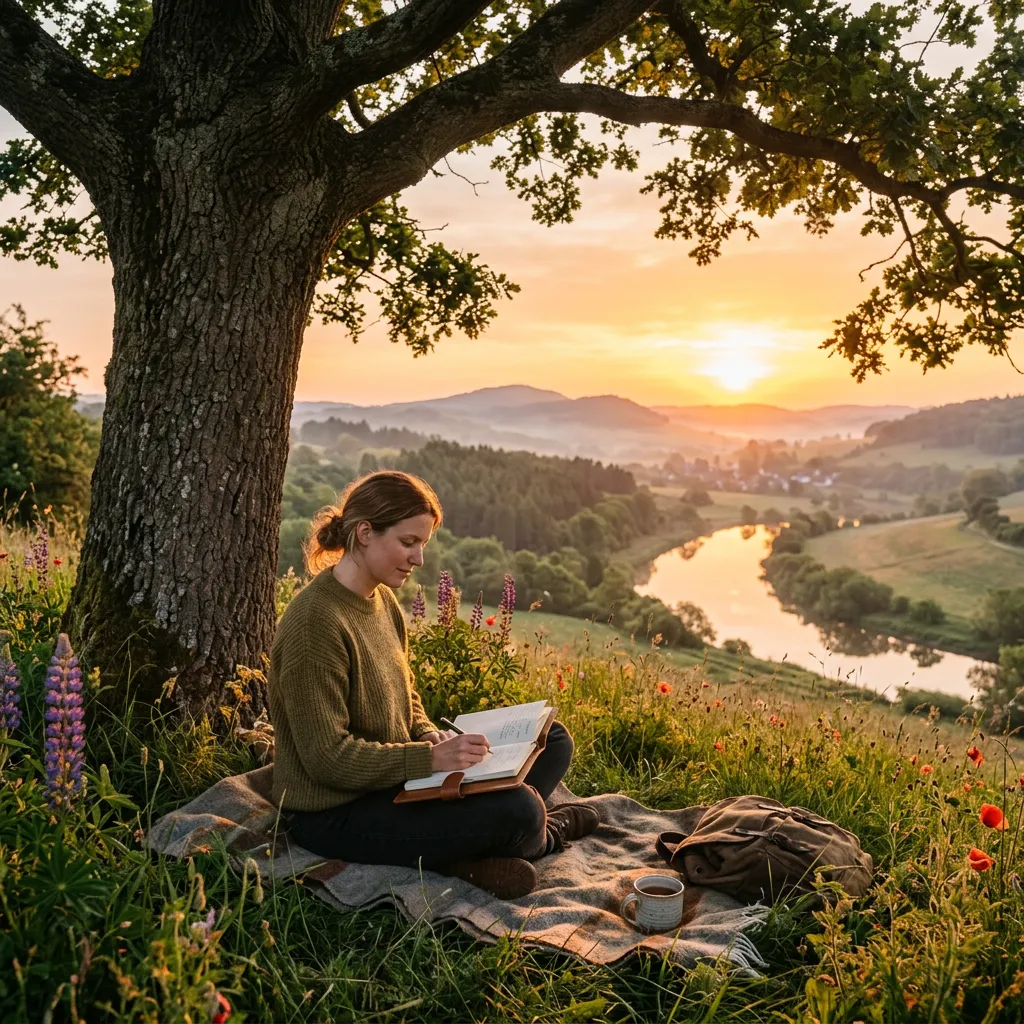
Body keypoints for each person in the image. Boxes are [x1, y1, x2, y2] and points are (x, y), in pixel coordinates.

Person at [268, 469, 599, 899]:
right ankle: (542, 833)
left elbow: (406, 695)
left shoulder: (382, 599)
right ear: (365, 533)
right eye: (408, 542)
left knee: (551, 739)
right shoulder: (315, 623)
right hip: (335, 814)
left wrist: (427, 731)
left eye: (423, 544)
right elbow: (326, 760)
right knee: (520, 808)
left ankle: (478, 849)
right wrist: (429, 758)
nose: (419, 558)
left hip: (395, 781)